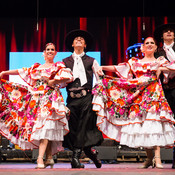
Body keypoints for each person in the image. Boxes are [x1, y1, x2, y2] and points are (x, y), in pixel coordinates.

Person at [92, 37, 175, 169]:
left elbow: (173, 66)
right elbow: (120, 68)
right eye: (146, 43)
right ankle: (149, 158)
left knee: (154, 124)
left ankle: (157, 159)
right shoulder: (135, 62)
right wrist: (102, 67)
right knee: (142, 127)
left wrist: (164, 69)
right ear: (142, 48)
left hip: (153, 95)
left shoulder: (160, 60)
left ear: (155, 47)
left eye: (152, 43)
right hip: (138, 96)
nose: (149, 45)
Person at [0, 43, 73, 169]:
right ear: (43, 53)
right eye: (48, 50)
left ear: (55, 53)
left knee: (46, 127)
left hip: (51, 99)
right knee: (46, 127)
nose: (50, 51)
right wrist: (5, 72)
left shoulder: (59, 66)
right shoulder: (37, 68)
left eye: (52, 50)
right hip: (37, 101)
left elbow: (69, 77)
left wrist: (53, 81)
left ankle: (40, 159)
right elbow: (21, 70)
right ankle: (49, 157)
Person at [61, 29, 104, 168]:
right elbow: (61, 82)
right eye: (76, 39)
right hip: (71, 98)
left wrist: (98, 98)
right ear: (72, 44)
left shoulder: (92, 60)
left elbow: (99, 80)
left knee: (83, 125)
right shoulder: (64, 62)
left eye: (81, 39)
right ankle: (90, 153)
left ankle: (75, 157)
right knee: (73, 127)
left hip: (87, 97)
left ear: (85, 45)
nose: (79, 40)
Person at [154, 23, 175, 169]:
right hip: (163, 91)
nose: (168, 32)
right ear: (162, 36)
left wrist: (162, 67)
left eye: (171, 31)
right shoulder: (158, 52)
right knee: (166, 122)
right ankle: (157, 158)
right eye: (166, 31)